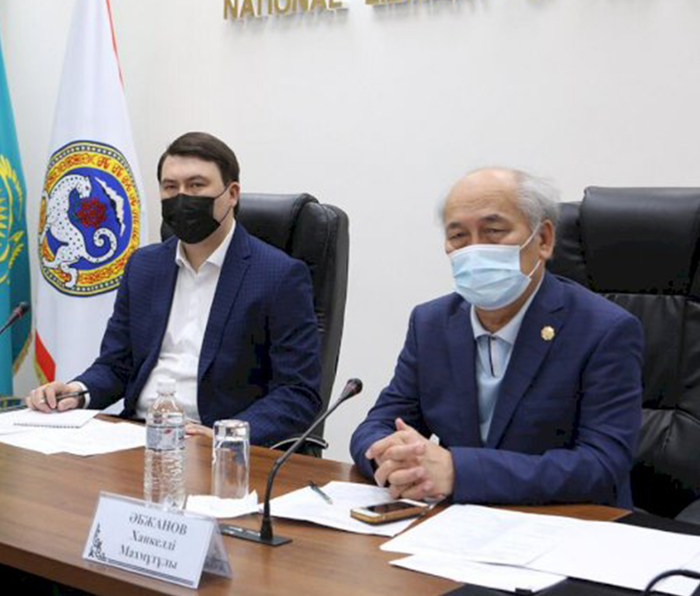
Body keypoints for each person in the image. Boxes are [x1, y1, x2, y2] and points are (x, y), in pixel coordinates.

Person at [350, 167, 643, 507]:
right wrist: (393, 460)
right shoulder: (431, 323)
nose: (475, 249)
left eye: (493, 231)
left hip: (564, 523)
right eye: (458, 235)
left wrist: (459, 472)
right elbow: (377, 425)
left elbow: (602, 465)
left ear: (543, 240)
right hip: (453, 522)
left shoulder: (605, 330)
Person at [28, 132, 322, 446]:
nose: (182, 197)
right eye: (170, 187)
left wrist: (226, 435)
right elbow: (117, 365)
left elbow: (297, 393)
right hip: (136, 436)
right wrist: (76, 392)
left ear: (232, 194)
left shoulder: (278, 276)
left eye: (196, 185)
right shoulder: (144, 266)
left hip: (214, 445)